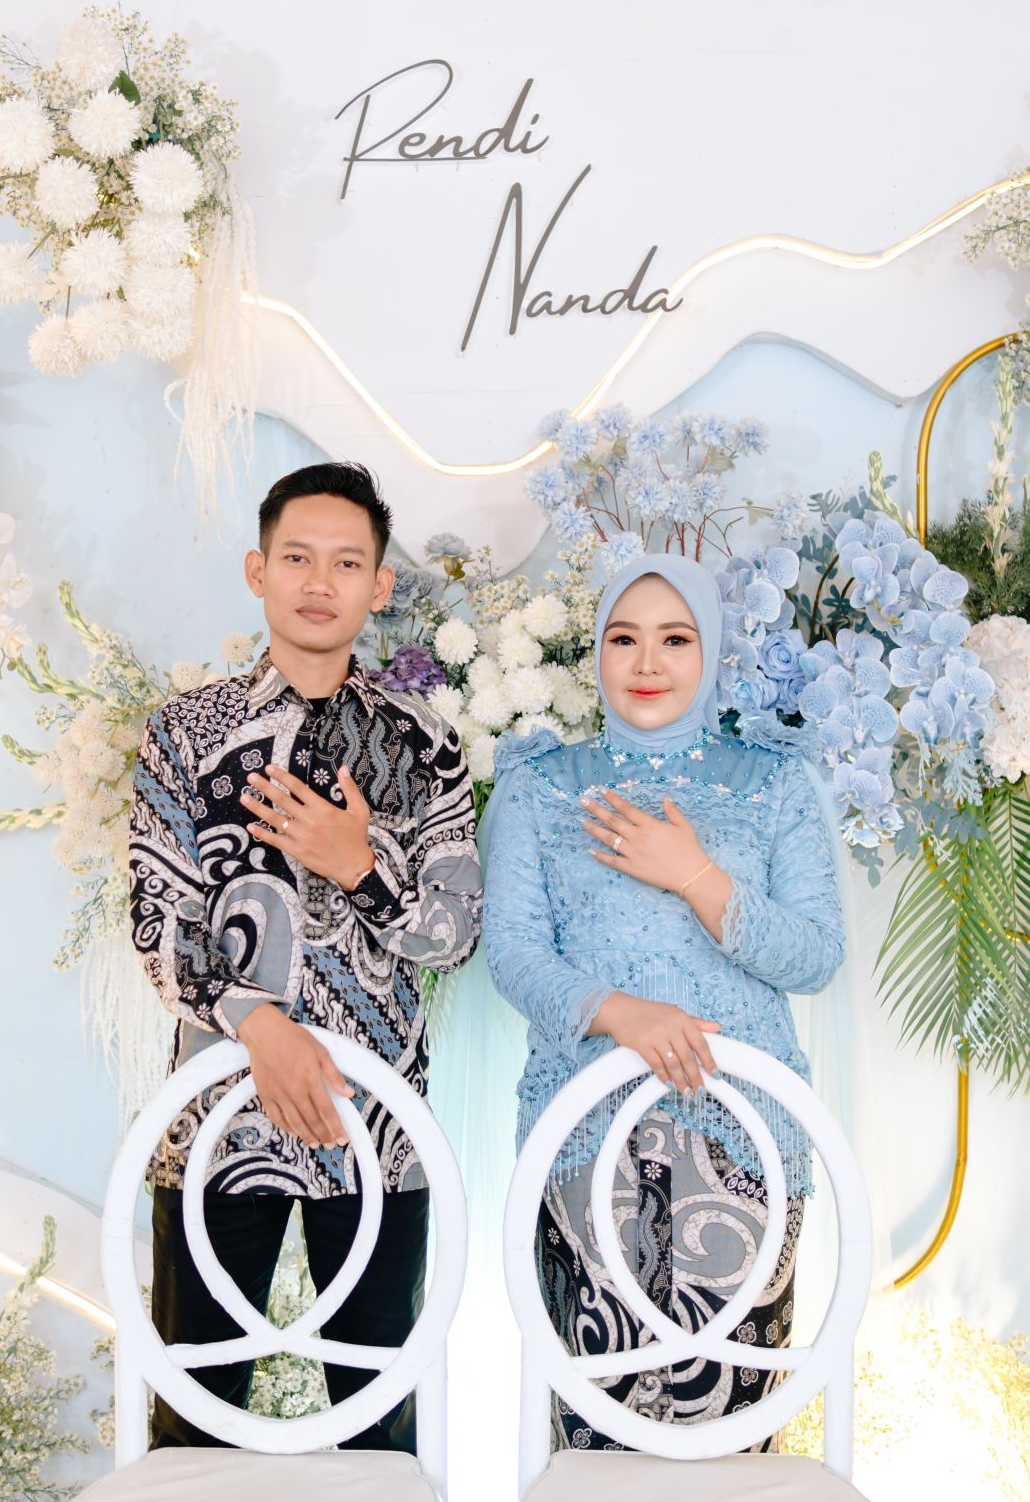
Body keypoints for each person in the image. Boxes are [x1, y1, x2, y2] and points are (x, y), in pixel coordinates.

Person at [128, 460, 482, 1451]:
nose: (318, 581)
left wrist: (357, 866)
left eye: (345, 562)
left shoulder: (426, 743)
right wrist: (263, 1029)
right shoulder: (184, 732)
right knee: (192, 1417)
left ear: (379, 584)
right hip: (217, 1120)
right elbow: (158, 921)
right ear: (258, 571)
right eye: (296, 558)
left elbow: (456, 935)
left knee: (379, 1425)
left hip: (379, 1126)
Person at [482, 553, 845, 1448]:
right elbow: (513, 952)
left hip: (746, 1136)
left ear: (709, 650)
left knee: (729, 1428)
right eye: (623, 639)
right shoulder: (539, 785)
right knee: (595, 1420)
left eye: (675, 640)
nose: (647, 663)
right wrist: (621, 1014)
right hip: (583, 1131)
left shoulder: (771, 783)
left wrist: (695, 876)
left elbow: (814, 956)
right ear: (596, 652)